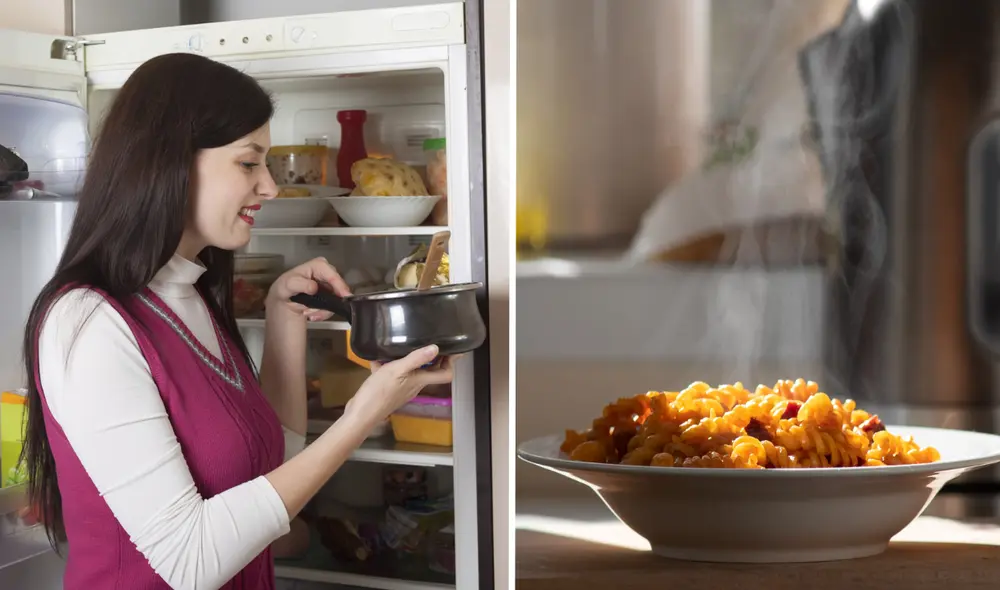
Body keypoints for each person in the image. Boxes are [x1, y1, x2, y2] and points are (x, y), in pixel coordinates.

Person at [19, 52, 454, 590]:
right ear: (168, 161)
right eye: (249, 163)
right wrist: (362, 416)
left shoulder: (190, 293)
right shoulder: (87, 323)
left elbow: (268, 468)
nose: (270, 187)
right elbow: (189, 561)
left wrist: (282, 317)